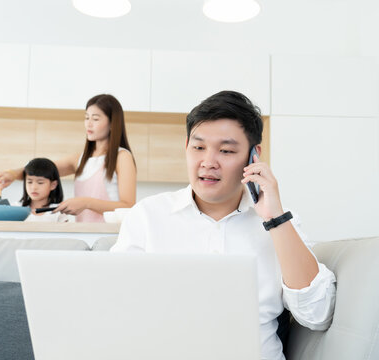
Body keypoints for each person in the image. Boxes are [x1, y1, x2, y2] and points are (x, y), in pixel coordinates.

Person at [111, 90, 336, 360]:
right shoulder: (148, 216)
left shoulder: (280, 223)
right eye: (198, 147)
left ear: (254, 156)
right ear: (186, 148)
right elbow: (115, 306)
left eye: (226, 150)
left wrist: (274, 218)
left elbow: (318, 315)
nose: (208, 162)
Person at [0, 94, 137, 222]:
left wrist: (86, 203)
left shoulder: (122, 157)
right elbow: (42, 170)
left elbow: (128, 206)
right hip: (86, 234)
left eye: (95, 119)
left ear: (112, 123)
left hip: (111, 235)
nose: (88, 124)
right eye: (86, 118)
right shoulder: (80, 160)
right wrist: (12, 173)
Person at [0, 157, 69, 222]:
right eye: (29, 182)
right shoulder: (15, 208)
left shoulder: (58, 211)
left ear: (53, 185)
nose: (33, 187)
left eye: (40, 183)